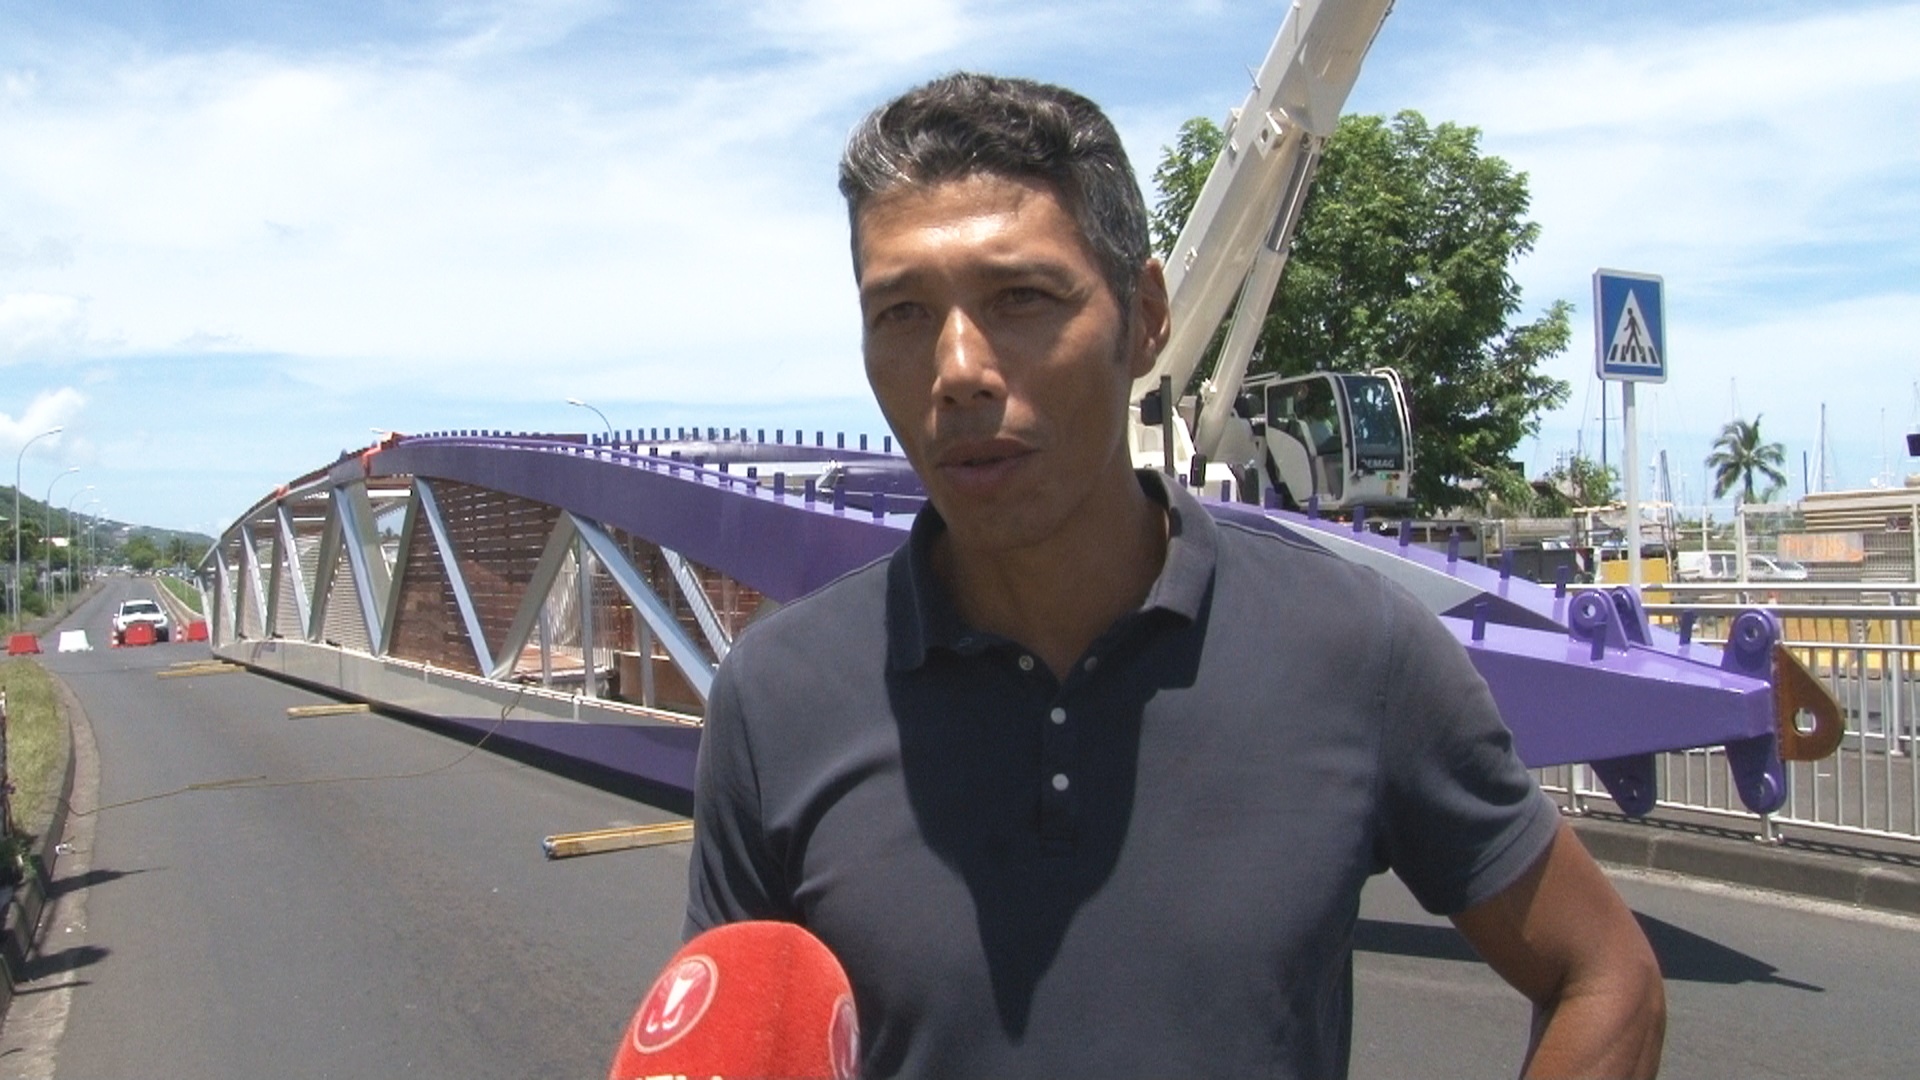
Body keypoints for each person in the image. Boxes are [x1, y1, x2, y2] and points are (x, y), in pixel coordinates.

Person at [686, 72, 1665, 1078]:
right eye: (900, 313)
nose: (959, 368)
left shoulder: (1354, 653)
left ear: (1144, 315)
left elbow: (1604, 977)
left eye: (1020, 297)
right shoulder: (777, 701)